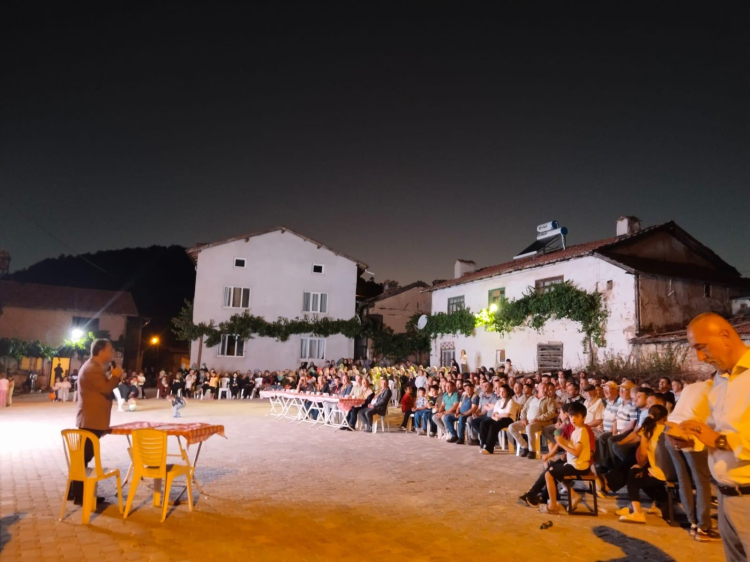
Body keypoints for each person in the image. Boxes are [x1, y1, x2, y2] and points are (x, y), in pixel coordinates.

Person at [680, 313, 750, 561]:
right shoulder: (721, 379)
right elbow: (716, 428)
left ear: (725, 335)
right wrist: (692, 439)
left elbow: (721, 437)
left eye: (702, 347)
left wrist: (719, 441)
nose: (701, 357)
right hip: (725, 495)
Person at [664, 371, 718, 541]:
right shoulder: (717, 390)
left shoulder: (691, 387)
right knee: (702, 482)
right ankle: (703, 527)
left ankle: (693, 523)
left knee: (684, 480)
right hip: (690, 434)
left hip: (671, 431)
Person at [70, 338, 120, 506]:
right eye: (110, 350)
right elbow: (105, 388)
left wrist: (112, 376)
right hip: (91, 419)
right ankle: (80, 495)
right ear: (101, 351)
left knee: (83, 457)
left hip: (92, 419)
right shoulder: (92, 368)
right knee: (83, 457)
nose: (112, 353)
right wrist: (115, 376)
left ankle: (75, 492)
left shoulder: (94, 367)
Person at [518, 402, 591, 513]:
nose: (573, 419)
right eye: (572, 416)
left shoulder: (582, 431)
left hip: (579, 465)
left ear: (584, 418)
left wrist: (561, 443)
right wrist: (561, 442)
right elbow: (570, 444)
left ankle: (552, 506)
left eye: (577, 416)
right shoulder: (576, 430)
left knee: (549, 474)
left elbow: (577, 453)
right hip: (574, 463)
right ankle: (572, 495)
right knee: (552, 469)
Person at [616, 405, 670, 524]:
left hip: (660, 471)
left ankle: (637, 512)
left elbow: (643, 454)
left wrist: (641, 465)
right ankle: (660, 504)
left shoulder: (649, 429)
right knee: (644, 474)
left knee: (634, 474)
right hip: (674, 471)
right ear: (665, 417)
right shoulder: (670, 428)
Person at [508, 382, 557, 459]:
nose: (545, 390)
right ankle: (524, 446)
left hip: (541, 422)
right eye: (543, 388)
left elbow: (551, 413)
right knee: (511, 427)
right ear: (538, 389)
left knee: (529, 427)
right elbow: (524, 409)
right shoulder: (531, 398)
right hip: (527, 421)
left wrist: (538, 419)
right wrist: (523, 418)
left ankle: (532, 451)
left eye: (547, 388)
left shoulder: (549, 400)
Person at [479, 384, 520, 454]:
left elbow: (507, 414)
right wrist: (495, 418)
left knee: (493, 426)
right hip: (498, 418)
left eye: (503, 392)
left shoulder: (511, 401)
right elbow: (493, 413)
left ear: (507, 392)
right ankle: (484, 444)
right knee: (483, 423)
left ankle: (489, 449)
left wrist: (497, 416)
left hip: (508, 420)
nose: (501, 393)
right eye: (500, 391)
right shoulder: (499, 401)